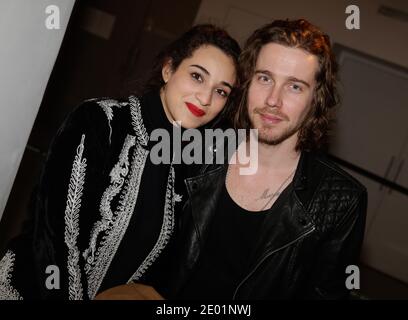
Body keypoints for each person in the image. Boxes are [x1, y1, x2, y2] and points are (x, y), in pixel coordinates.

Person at [0, 24, 240, 300]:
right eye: (197, 76)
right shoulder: (99, 122)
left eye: (221, 91)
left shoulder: (191, 166)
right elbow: (56, 238)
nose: (206, 98)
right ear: (168, 69)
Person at [162, 19, 368, 300]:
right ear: (247, 82)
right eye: (265, 78)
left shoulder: (341, 200)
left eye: (294, 86)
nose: (273, 100)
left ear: (316, 99)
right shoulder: (199, 149)